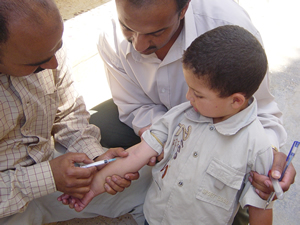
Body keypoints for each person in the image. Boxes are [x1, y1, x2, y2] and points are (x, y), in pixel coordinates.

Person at [90, 0, 296, 223]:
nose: (138, 45)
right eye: (127, 27)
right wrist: (167, 138)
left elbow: (262, 111)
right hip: (159, 200)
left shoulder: (229, 27)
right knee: (102, 123)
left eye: (156, 32)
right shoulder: (110, 38)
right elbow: (135, 110)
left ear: (184, 9)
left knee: (244, 199)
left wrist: (267, 158)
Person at [0, 0, 149, 224]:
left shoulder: (44, 47)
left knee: (155, 181)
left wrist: (95, 160)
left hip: (47, 175)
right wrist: (48, 177)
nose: (53, 64)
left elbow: (69, 113)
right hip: (7, 202)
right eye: (37, 64)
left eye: (57, 48)